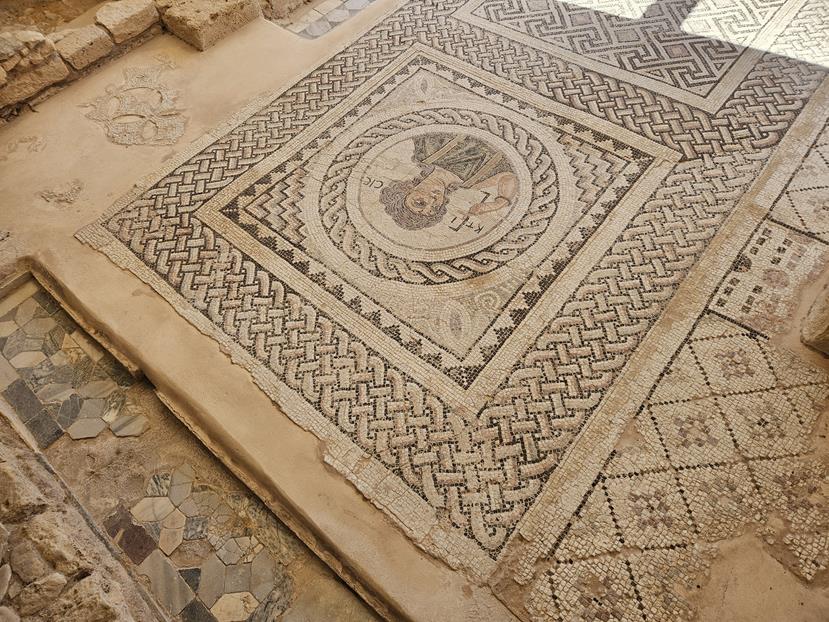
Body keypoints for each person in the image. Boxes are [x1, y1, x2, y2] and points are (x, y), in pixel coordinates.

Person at [379, 133, 518, 230]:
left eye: (420, 202)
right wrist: (498, 203)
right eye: (434, 208)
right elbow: (508, 175)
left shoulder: (425, 152)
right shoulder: (472, 183)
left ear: (407, 189)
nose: (433, 201)